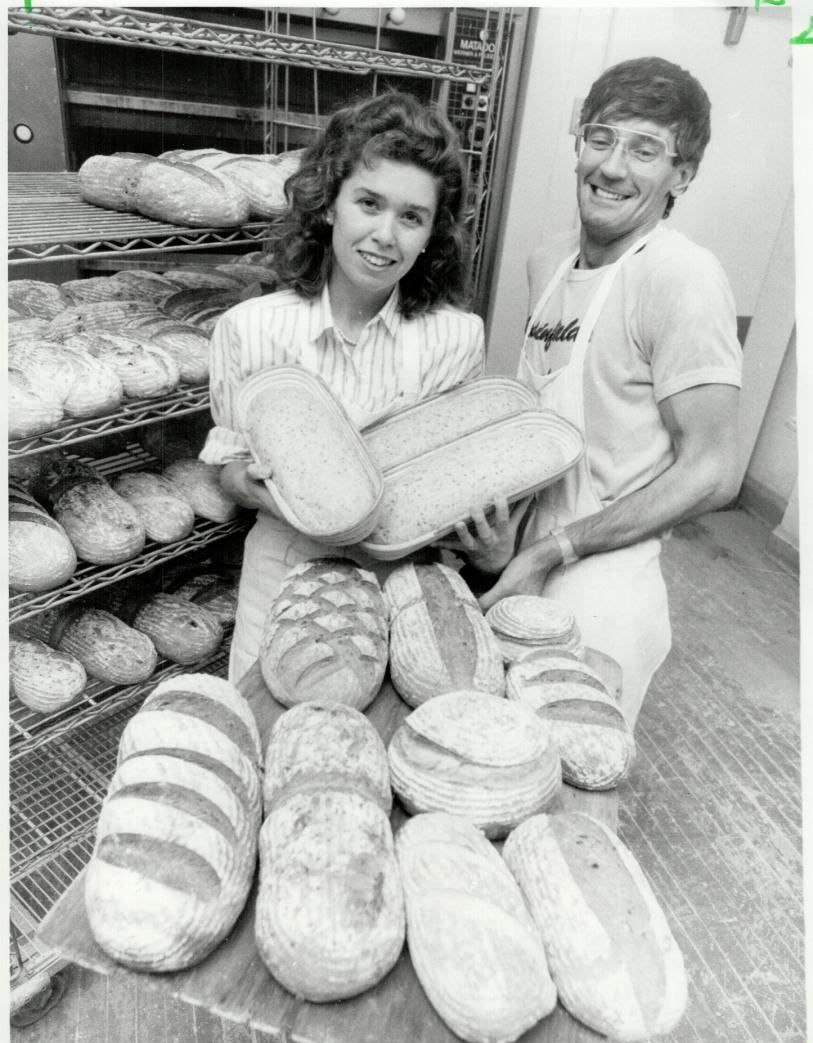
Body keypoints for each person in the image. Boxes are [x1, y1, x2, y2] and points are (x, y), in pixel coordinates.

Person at [455, 56, 742, 729]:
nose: (612, 167)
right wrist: (510, 543)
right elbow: (542, 431)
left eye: (646, 149)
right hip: (520, 559)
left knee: (563, 779)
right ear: (579, 142)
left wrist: (555, 550)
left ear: (683, 174)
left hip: (604, 581)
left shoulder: (680, 277)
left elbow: (713, 470)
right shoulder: (546, 262)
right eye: (601, 137)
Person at [200, 91, 485, 684]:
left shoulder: (455, 339)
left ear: (432, 234)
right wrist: (253, 488)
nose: (386, 234)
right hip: (283, 566)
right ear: (329, 204)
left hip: (402, 577)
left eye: (412, 217)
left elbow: (450, 482)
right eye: (369, 203)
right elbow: (226, 465)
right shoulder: (251, 330)